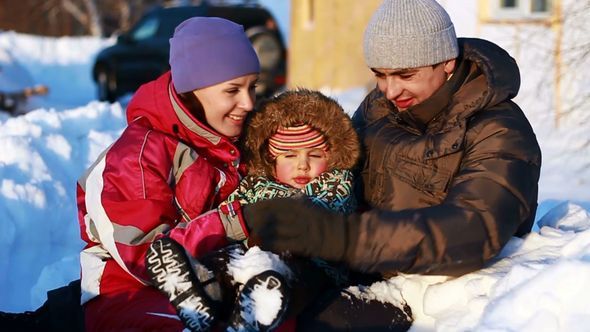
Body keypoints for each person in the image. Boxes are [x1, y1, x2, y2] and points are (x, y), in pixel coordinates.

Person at [239, 0, 542, 301]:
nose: (390, 90)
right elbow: (339, 174)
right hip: (355, 273)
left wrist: (344, 238)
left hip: (428, 293)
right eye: (380, 75)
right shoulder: (378, 108)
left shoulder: (499, 130)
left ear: (446, 62)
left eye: (405, 75)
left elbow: (475, 228)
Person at [75, 16, 261, 331]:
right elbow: (145, 257)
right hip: (129, 294)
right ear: (193, 88)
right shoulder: (136, 156)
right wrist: (239, 221)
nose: (248, 102)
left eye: (252, 87)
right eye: (233, 90)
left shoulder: (235, 144)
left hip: (215, 282)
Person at [145, 89, 363, 331]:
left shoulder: (335, 183)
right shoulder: (255, 184)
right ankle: (201, 285)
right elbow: (230, 212)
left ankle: (258, 313)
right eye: (289, 155)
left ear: (331, 158)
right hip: (250, 257)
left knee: (297, 279)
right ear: (271, 161)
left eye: (314, 155)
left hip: (313, 266)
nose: (303, 165)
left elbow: (326, 215)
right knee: (228, 258)